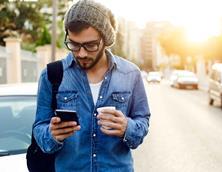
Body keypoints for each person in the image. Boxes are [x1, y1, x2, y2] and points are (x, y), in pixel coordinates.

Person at [33, 0, 150, 171]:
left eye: (90, 45)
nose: (81, 53)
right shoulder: (51, 75)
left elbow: (143, 120)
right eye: (74, 44)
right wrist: (52, 135)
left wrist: (127, 127)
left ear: (105, 39)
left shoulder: (131, 74)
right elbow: (39, 128)